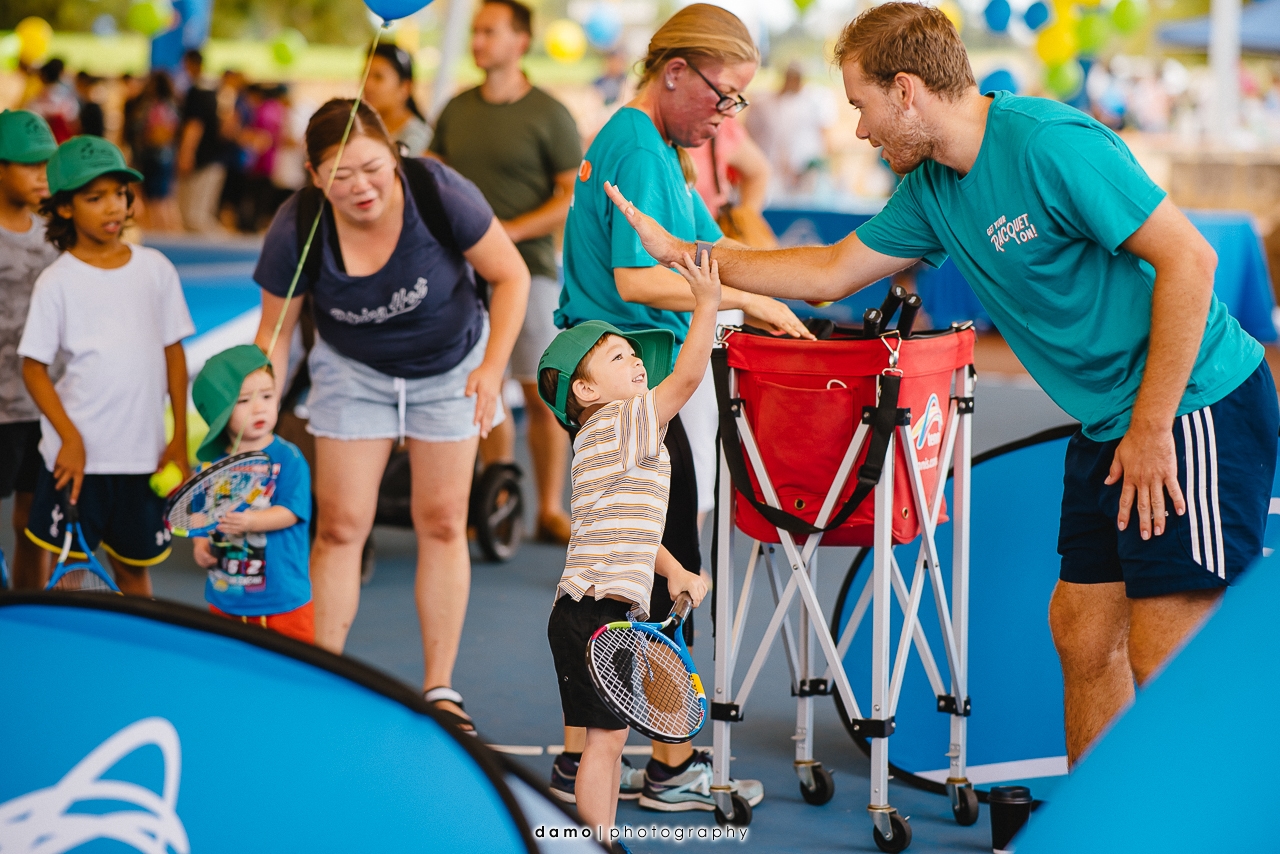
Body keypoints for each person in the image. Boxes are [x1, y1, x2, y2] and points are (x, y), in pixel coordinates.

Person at [606, 1, 1279, 768]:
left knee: (1168, 656)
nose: (860, 130)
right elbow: (828, 273)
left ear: (905, 91)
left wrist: (1154, 426)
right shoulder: (932, 189)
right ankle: (1095, 828)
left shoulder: (1050, 143)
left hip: (1193, 404)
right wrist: (694, 253)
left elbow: (1191, 261)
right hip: (1113, 420)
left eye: (861, 106)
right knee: (1082, 634)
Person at [554, 2, 811, 813]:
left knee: (628, 563)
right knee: (660, 566)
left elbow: (714, 253)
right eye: (725, 95)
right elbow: (646, 280)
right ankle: (672, 764)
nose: (729, 114)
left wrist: (786, 287)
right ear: (675, 73)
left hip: (637, 389)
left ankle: (585, 760)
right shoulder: (634, 141)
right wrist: (755, 307)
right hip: (635, 395)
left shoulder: (659, 147)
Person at [254, 99, 529, 731]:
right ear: (313, 174)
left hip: (449, 367)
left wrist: (490, 368)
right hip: (353, 372)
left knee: (441, 522)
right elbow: (275, 335)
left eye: (373, 167)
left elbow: (510, 276)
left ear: (396, 156)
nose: (360, 186)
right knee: (342, 527)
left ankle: (440, 687)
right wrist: (251, 407)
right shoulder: (298, 225)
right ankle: (324, 673)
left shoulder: (437, 190)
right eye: (340, 174)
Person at [539, 247, 719, 845]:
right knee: (606, 743)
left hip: (591, 614)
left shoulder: (604, 437)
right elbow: (689, 377)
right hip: (596, 617)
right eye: (621, 356)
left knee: (607, 743)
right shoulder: (622, 422)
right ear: (586, 391)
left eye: (636, 355)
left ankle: (598, 835)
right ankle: (594, 839)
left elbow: (634, 532)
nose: (640, 363)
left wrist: (675, 573)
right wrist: (707, 304)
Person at [430, 0, 583, 544]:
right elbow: (435, 178)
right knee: (477, 387)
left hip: (531, 271)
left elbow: (571, 195)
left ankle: (548, 507)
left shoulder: (550, 113)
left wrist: (507, 235)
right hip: (456, 277)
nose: (477, 41)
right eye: (474, 32)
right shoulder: (455, 109)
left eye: (489, 31)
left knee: (542, 393)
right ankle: (496, 501)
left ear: (520, 41)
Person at [19, 136, 194, 596]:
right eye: (94, 198)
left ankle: (142, 662)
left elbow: (173, 354)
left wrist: (177, 435)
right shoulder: (56, 282)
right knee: (74, 576)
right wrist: (70, 438)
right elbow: (33, 368)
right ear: (64, 209)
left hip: (142, 457)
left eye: (119, 193)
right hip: (75, 462)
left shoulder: (156, 269)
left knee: (135, 572)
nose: (112, 207)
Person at [191, 345, 313, 644]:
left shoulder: (289, 458)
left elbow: (291, 511)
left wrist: (250, 522)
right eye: (244, 400)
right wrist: (200, 543)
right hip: (226, 598)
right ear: (219, 410)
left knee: (294, 675)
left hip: (284, 601)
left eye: (268, 396)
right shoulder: (209, 467)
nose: (260, 408)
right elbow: (198, 514)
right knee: (232, 672)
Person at [0, 110, 60, 590]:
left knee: (33, 526)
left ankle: (28, 614)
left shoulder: (56, 236)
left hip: (43, 407)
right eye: (29, 165)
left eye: (47, 164)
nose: (43, 176)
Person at [744, 62, 837, 197]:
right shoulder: (764, 103)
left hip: (806, 169)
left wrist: (825, 165)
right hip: (773, 170)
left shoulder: (816, 99)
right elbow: (749, 133)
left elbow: (826, 135)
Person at [176, 50, 229, 234]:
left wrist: (186, 153)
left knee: (195, 215)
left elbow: (194, 125)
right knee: (194, 214)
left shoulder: (198, 92)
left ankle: (223, 251)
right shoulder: (215, 91)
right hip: (213, 158)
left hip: (204, 160)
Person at [366, 43, 432, 157]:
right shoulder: (363, 127)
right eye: (365, 75)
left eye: (378, 77)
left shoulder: (418, 141)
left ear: (405, 87)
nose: (367, 85)